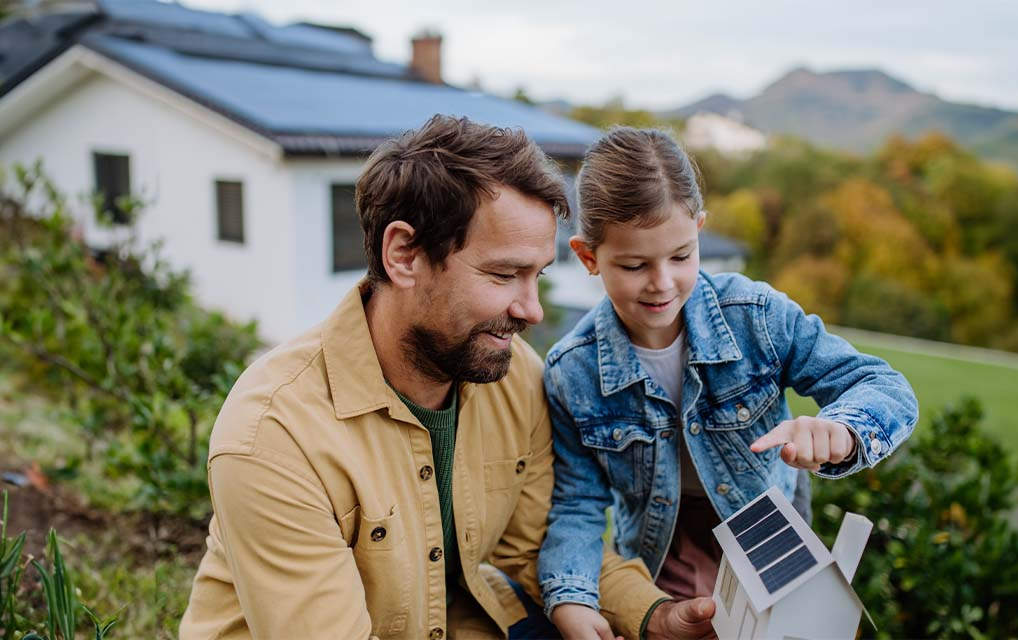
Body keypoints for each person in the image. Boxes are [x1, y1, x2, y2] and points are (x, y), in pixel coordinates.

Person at [178, 115, 706, 639]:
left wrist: (654, 615)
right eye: (503, 275)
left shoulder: (514, 375)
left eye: (537, 276)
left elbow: (538, 542)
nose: (531, 310)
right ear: (404, 255)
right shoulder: (274, 434)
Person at [538, 127, 919, 639]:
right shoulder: (572, 372)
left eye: (681, 256)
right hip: (659, 566)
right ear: (588, 257)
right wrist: (572, 597)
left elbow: (883, 386)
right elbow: (578, 504)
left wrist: (844, 430)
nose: (662, 282)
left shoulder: (757, 317)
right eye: (633, 265)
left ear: (698, 228)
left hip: (775, 556)